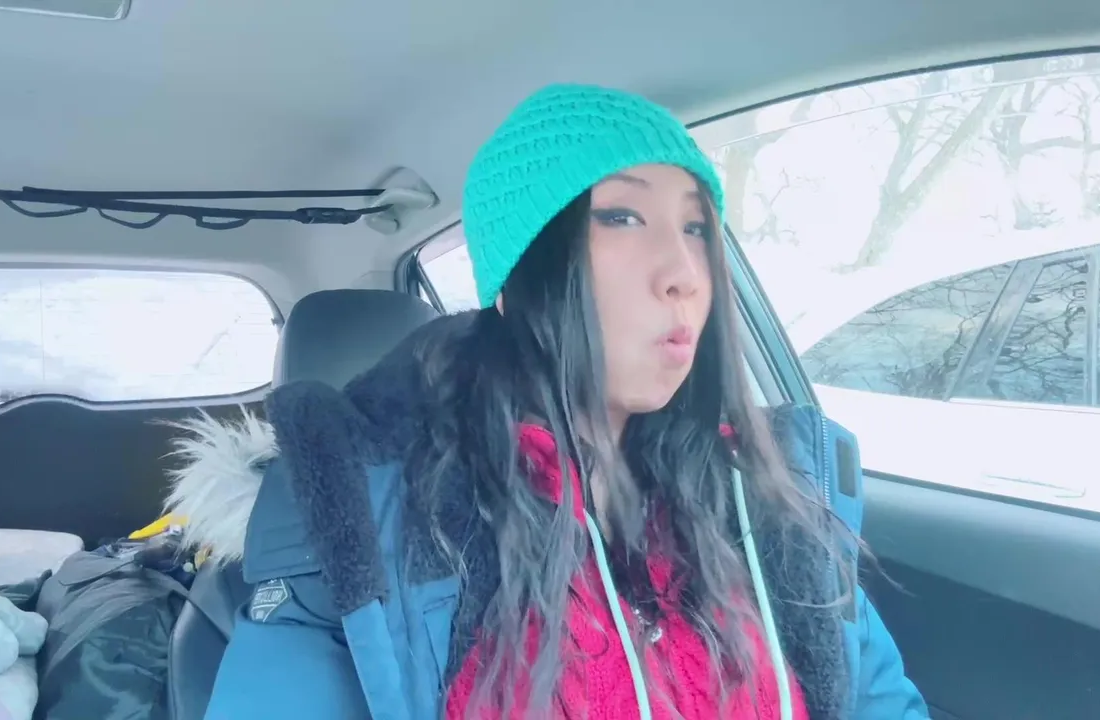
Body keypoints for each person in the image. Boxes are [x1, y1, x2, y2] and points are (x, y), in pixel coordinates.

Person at [205, 84, 929, 719]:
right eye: (621, 217)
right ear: (518, 274)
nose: (684, 272)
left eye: (697, 228)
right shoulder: (364, 521)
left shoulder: (766, 491)